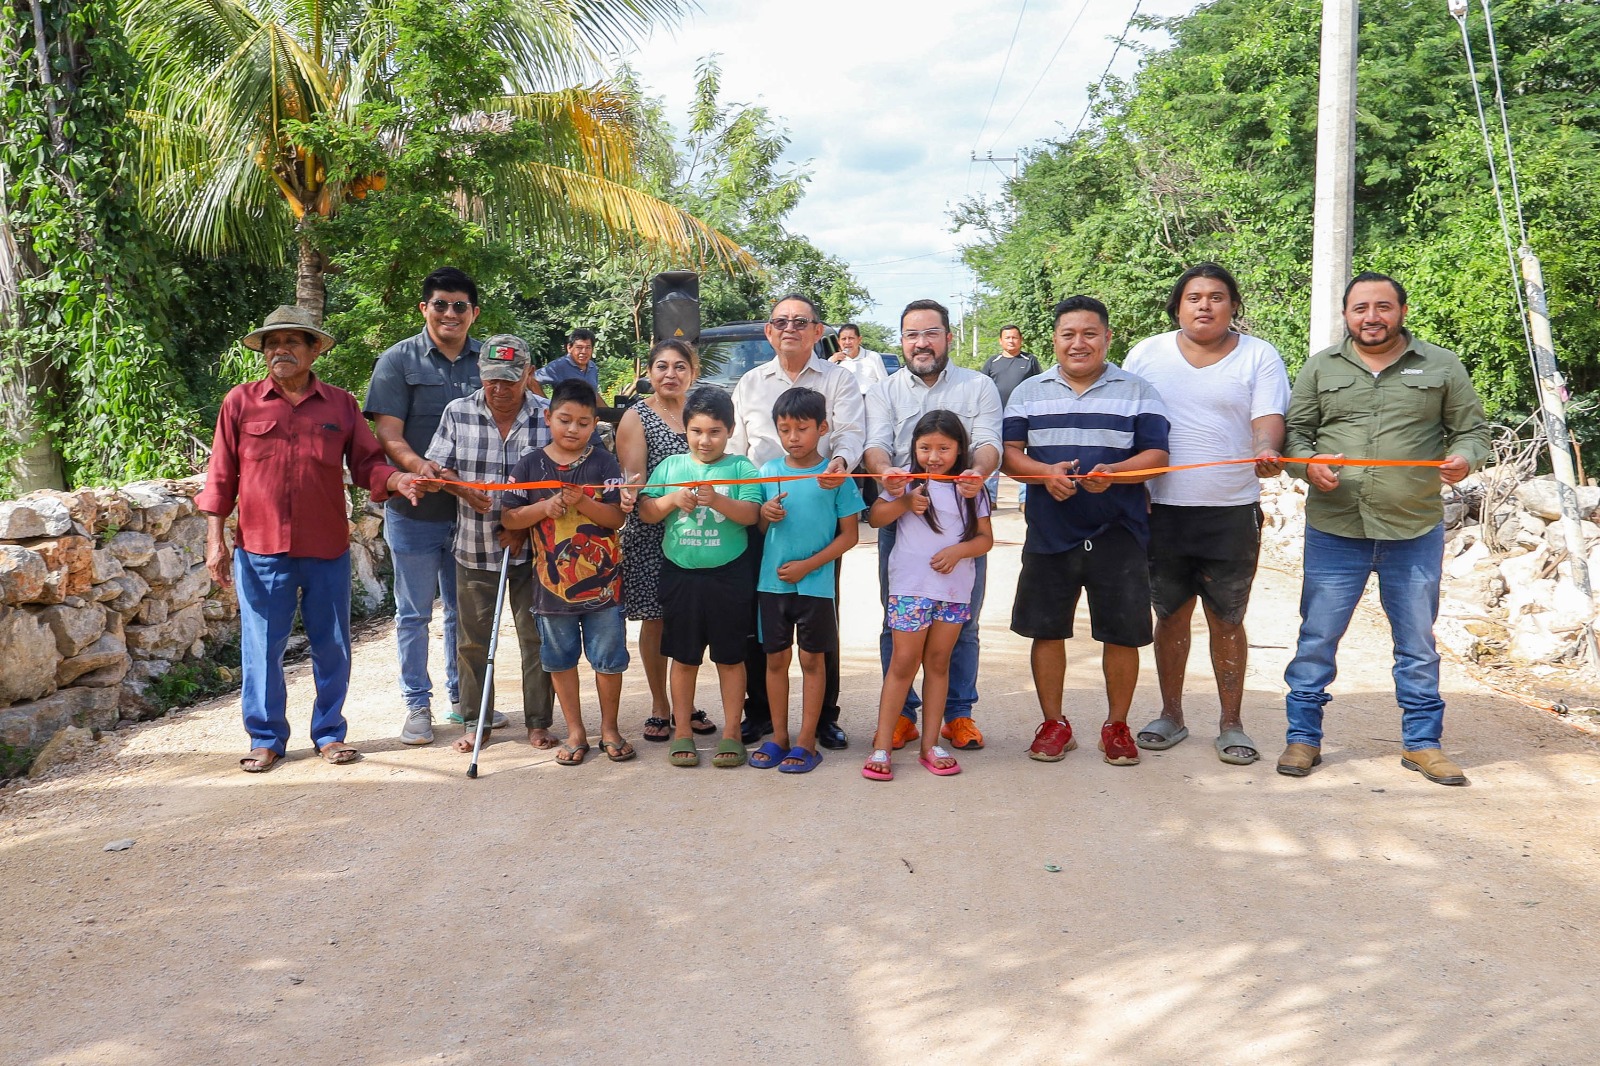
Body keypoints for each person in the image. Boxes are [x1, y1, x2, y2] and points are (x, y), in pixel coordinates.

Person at [1278, 272, 1491, 786]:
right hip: (1335, 529)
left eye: (1383, 307)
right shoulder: (1320, 367)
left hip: (1413, 529)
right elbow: (1296, 437)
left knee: (1417, 644)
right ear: (1346, 314)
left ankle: (1423, 745)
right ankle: (1302, 739)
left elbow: (1472, 431)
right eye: (1360, 308)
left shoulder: (1441, 365)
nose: (1371, 317)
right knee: (1316, 640)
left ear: (1402, 310)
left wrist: (1464, 458)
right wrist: (1308, 465)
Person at [198, 306, 431, 773]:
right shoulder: (240, 403)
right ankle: (265, 738)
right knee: (262, 646)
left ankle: (329, 733)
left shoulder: (340, 405)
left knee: (332, 644)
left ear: (312, 349)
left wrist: (398, 480)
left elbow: (366, 463)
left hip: (326, 547)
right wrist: (214, 539)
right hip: (261, 550)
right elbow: (221, 475)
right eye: (271, 342)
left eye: (291, 341)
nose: (279, 350)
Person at [1122, 263, 1291, 766]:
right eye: (1194, 297)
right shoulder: (1146, 354)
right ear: (1177, 305)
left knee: (1227, 619)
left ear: (1233, 305)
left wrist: (1265, 451)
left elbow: (1268, 420)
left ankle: (1231, 723)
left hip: (1232, 509)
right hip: (1161, 509)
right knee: (1169, 616)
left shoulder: (1259, 356)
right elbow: (1129, 421)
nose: (1204, 305)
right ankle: (1170, 714)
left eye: (1217, 297)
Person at [1002, 295, 1170, 767]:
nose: (1079, 343)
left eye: (1089, 333)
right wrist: (1042, 474)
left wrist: (1116, 474)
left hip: (1120, 531)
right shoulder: (1028, 392)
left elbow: (1157, 456)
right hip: (1050, 531)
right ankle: (1054, 724)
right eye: (1068, 335)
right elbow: (1011, 453)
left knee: (1123, 634)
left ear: (1108, 338)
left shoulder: (1139, 391)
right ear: (1054, 341)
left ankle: (1116, 727)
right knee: (1046, 630)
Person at [863, 298, 1002, 753]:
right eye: (911, 335)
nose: (921, 343)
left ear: (948, 336)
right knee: (896, 625)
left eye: (930, 333)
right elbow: (878, 445)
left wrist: (974, 475)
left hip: (960, 521)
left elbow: (987, 444)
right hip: (905, 518)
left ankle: (957, 717)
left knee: (964, 626)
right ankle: (903, 716)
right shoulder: (885, 390)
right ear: (901, 340)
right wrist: (889, 477)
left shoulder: (979, 385)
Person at [730, 294, 866, 749]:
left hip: (821, 509)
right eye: (780, 321)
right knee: (761, 621)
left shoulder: (839, 379)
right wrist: (747, 502)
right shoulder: (749, 383)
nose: (790, 328)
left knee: (821, 621)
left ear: (817, 330)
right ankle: (763, 715)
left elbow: (849, 432)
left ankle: (824, 717)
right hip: (762, 511)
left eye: (800, 321)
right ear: (769, 331)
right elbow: (736, 447)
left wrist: (839, 465)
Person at [364, 267, 485, 743]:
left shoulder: (491, 361)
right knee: (414, 614)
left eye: (459, 305)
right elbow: (388, 433)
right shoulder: (397, 360)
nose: (450, 313)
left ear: (474, 313)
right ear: (424, 309)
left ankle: (465, 702)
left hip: (473, 513)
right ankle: (417, 704)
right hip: (414, 509)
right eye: (440, 304)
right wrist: (420, 466)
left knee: (463, 612)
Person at [423, 334, 557, 752]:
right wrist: (461, 490)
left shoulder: (548, 416)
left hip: (535, 551)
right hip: (474, 547)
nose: (499, 390)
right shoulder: (457, 412)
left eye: (510, 381)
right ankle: (475, 721)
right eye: (491, 380)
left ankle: (538, 721)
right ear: (480, 374)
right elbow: (437, 470)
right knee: (472, 641)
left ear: (528, 375)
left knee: (536, 638)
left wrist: (521, 524)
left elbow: (562, 475)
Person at [500, 380, 632, 765]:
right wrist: (546, 508)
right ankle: (576, 731)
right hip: (550, 589)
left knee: (608, 659)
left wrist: (584, 503)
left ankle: (609, 728)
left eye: (583, 422)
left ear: (595, 425)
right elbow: (509, 516)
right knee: (560, 661)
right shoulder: (529, 464)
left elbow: (617, 517)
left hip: (604, 588)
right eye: (565, 420)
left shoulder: (604, 462)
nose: (573, 429)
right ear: (548, 417)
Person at [631, 386, 764, 768]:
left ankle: (732, 733)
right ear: (685, 430)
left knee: (730, 658)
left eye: (715, 431)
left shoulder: (741, 468)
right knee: (684, 658)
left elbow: (752, 516)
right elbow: (647, 512)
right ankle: (683, 731)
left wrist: (718, 499)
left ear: (731, 430)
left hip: (729, 577)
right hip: (681, 576)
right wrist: (671, 500)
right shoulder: (671, 467)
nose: (705, 440)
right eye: (697, 431)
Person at [862, 411, 993, 781]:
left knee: (939, 665)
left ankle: (930, 745)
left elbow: (985, 539)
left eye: (944, 448)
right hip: (909, 590)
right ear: (914, 447)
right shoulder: (905, 481)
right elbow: (875, 518)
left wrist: (959, 552)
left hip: (953, 592)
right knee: (903, 663)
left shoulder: (971, 487)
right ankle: (882, 746)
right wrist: (903, 502)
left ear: (959, 449)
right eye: (925, 447)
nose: (934, 456)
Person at [752, 387, 863, 774]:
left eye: (802, 428)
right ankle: (779, 737)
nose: (794, 438)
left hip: (815, 586)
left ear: (823, 428)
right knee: (776, 659)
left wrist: (808, 565)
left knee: (813, 660)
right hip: (772, 584)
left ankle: (806, 741)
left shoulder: (836, 478)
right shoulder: (767, 472)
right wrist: (766, 513)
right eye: (785, 429)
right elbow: (761, 526)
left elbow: (849, 536)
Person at [616, 340, 718, 743]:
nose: (670, 374)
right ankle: (661, 705)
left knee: (691, 620)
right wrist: (633, 492)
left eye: (679, 367)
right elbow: (634, 477)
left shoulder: (703, 414)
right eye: (661, 366)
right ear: (649, 372)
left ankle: (684, 703)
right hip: (653, 529)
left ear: (692, 373)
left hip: (700, 531)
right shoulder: (636, 416)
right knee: (656, 620)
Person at [980, 324, 1043, 506]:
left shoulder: (1030, 360)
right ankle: (990, 498)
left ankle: (1025, 500)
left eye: (1015, 337)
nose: (1011, 341)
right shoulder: (993, 362)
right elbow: (983, 387)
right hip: (997, 416)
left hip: (1024, 417)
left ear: (1020, 340)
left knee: (1027, 456)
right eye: (1007, 337)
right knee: (994, 453)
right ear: (1001, 340)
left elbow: (1038, 386)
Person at [535, 327, 601, 395]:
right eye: (579, 347)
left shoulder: (592, 367)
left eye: (588, 347)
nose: (584, 352)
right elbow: (531, 380)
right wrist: (545, 403)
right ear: (569, 348)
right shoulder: (558, 367)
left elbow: (595, 394)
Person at [830, 322, 890, 395]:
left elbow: (884, 383)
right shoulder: (834, 361)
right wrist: (831, 362)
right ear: (838, 341)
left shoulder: (873, 357)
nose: (847, 342)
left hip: (870, 402)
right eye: (843, 339)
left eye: (851, 338)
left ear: (859, 340)